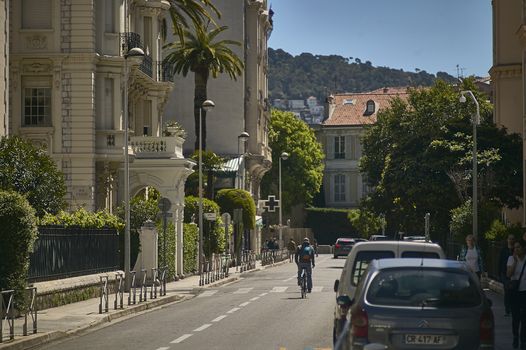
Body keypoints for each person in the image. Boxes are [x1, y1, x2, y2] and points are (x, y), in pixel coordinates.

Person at [507, 240, 526, 349]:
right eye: (515, 248)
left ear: (523, 248)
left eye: (518, 247)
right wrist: (514, 261)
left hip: (524, 292)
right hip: (515, 293)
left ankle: (523, 340)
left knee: (524, 318)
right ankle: (515, 336)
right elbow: (509, 274)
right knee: (516, 317)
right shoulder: (511, 259)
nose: (516, 249)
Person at [500, 234, 516, 317]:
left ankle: (512, 308)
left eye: (512, 239)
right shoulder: (504, 250)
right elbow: (500, 262)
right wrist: (500, 274)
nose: (511, 240)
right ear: (507, 240)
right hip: (504, 273)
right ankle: (507, 309)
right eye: (509, 239)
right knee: (507, 292)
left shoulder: (515, 250)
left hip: (513, 274)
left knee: (512, 292)